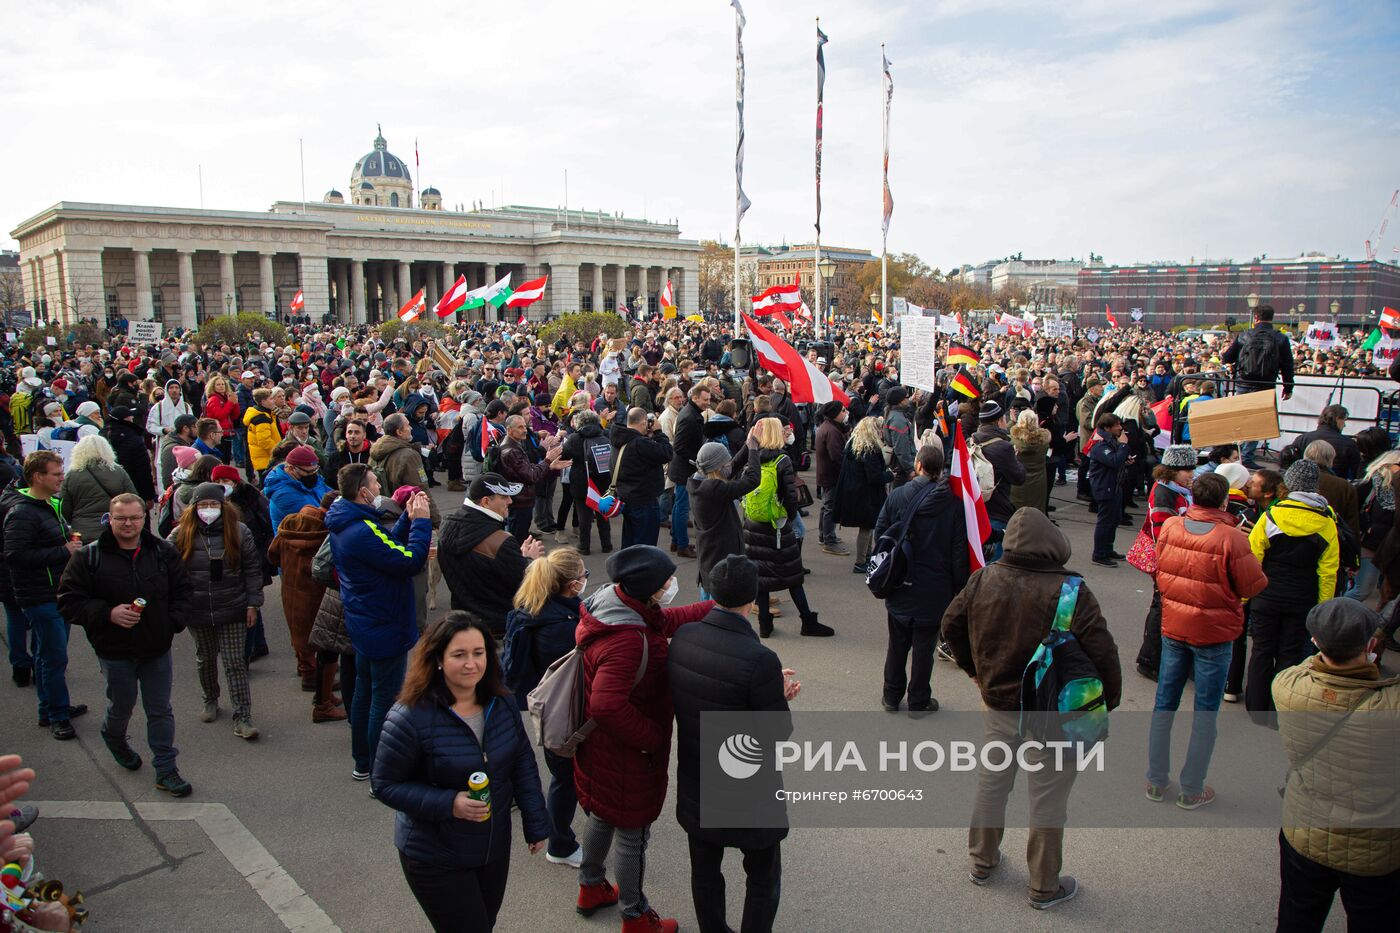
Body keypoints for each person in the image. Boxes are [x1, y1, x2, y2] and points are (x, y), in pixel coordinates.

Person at [942, 507, 1122, 910]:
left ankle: (981, 861)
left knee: (993, 782)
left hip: (999, 702)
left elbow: (950, 625)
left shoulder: (983, 578)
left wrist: (974, 670)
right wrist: (1107, 700)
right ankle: (1044, 885)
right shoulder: (1071, 590)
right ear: (1054, 544)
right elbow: (1103, 650)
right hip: (1053, 710)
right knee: (1048, 798)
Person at [374, 612, 549, 933]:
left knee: (484, 923)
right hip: (434, 854)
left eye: (479, 653)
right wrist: (449, 803)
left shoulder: (502, 702)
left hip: (492, 846)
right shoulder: (410, 715)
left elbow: (522, 761)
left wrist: (536, 822)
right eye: (459, 655)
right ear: (438, 659)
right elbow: (385, 784)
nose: (472, 664)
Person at [574, 546, 713, 933]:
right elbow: (606, 705)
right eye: (666, 580)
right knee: (633, 833)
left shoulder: (616, 605)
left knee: (602, 813)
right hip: (628, 751)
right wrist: (650, 737)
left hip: (603, 748)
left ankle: (590, 885)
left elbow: (661, 621)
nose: (671, 584)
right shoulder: (627, 641)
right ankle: (635, 916)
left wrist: (714, 607)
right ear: (649, 588)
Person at [668, 555, 799, 933]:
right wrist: (778, 693)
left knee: (705, 871)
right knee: (762, 874)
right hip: (749, 790)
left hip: (698, 780)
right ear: (751, 599)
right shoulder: (759, 659)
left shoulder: (685, 637)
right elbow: (776, 732)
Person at [1272, 598, 1399, 932]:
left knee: (1297, 918)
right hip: (1375, 847)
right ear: (1371, 645)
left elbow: (1308, 666)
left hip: (1305, 832)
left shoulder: (1287, 686)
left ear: (1315, 642)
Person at [57, 492, 194, 796]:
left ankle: (166, 769)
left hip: (156, 648)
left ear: (144, 519)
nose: (129, 524)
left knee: (159, 710)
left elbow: (183, 590)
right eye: (121, 518)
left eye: (134, 518)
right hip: (114, 650)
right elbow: (68, 602)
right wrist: (108, 613)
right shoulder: (88, 557)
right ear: (110, 519)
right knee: (122, 706)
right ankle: (113, 737)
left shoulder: (162, 551)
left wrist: (171, 623)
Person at [1147, 473, 1268, 809]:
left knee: (1164, 704)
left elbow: (1158, 568)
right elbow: (1252, 586)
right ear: (1225, 501)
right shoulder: (1232, 538)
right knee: (1205, 712)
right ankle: (1191, 787)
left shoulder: (1171, 527)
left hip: (1175, 626)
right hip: (1214, 634)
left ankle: (1156, 780)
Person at [326, 463, 432, 781]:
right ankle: (379, 769)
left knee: (365, 692)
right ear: (363, 492)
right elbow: (408, 560)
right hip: (383, 621)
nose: (379, 489)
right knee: (382, 700)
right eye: (375, 483)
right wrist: (422, 524)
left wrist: (405, 521)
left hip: (366, 618)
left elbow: (387, 546)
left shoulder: (351, 522)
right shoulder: (360, 530)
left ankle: (363, 761)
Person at [502, 548, 589, 867]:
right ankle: (561, 844)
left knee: (564, 775)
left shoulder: (536, 607)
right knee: (566, 778)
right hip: (563, 711)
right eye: (583, 577)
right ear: (570, 585)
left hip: (546, 705)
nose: (584, 582)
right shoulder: (563, 626)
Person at [873, 443, 969, 714]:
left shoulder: (899, 494)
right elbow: (958, 551)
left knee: (897, 643)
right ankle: (918, 700)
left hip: (900, 579)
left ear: (918, 466)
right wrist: (959, 589)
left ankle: (891, 696)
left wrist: (881, 566)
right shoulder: (952, 503)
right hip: (935, 586)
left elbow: (881, 533)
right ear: (939, 470)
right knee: (924, 648)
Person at [168, 482, 265, 740]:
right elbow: (166, 568)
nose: (208, 510)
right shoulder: (180, 535)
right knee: (205, 658)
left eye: (213, 505)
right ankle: (210, 698)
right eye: (203, 505)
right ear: (194, 508)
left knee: (235, 663)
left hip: (232, 607)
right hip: (197, 609)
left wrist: (253, 603)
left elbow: (252, 571)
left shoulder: (239, 532)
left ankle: (242, 716)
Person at [0, 451, 86, 740]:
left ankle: (48, 709)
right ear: (38, 477)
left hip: (56, 591)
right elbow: (14, 554)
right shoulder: (23, 512)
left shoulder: (49, 503)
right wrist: (63, 551)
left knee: (46, 655)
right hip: (40, 595)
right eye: (56, 474)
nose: (62, 478)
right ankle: (58, 715)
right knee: (53, 657)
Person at [1245, 459, 1340, 718]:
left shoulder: (1271, 515)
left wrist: (1246, 596)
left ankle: (1255, 707)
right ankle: (1280, 707)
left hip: (1267, 595)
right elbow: (1328, 570)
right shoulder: (1327, 521)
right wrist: (1322, 607)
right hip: (1303, 599)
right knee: (1290, 654)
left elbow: (1253, 559)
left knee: (1262, 650)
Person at [738, 417, 832, 638]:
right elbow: (791, 496)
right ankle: (807, 621)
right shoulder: (782, 460)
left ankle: (764, 624)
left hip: (753, 524)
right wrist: (789, 517)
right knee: (793, 575)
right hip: (777, 525)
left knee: (761, 577)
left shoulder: (753, 457)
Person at [439, 473, 542, 636]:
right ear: (486, 501)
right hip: (499, 628)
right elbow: (528, 585)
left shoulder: (446, 528)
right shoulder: (501, 542)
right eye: (504, 497)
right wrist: (531, 560)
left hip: (462, 623)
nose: (510, 501)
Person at [268, 493, 343, 717]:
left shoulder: (288, 527)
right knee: (326, 646)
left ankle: (310, 676)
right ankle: (322, 702)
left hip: (291, 590)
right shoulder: (327, 534)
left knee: (300, 635)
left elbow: (272, 556)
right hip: (317, 593)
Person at [1134, 444, 1197, 680]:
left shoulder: (1178, 490)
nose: (1191, 473)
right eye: (1186, 469)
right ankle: (1150, 660)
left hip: (1175, 557)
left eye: (1192, 468)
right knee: (1161, 608)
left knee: (1166, 608)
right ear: (1171, 470)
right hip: (1168, 559)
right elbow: (1162, 531)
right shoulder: (1164, 493)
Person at [1221, 303, 1295, 468]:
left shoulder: (1245, 335)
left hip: (1243, 382)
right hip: (1266, 384)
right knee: (1256, 422)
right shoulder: (1280, 338)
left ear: (1255, 317)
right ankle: (1246, 457)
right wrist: (1288, 387)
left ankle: (1232, 454)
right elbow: (1287, 365)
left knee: (1240, 418)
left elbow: (1227, 357)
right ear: (1272, 318)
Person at [689, 436, 762, 600]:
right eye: (725, 463)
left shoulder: (700, 482)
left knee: (707, 597)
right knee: (717, 605)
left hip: (709, 557)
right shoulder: (713, 489)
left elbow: (731, 468)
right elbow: (752, 480)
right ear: (717, 468)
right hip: (720, 559)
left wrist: (747, 443)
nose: (729, 464)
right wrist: (753, 449)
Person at [833, 415, 894, 574]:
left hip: (855, 491)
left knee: (868, 526)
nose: (881, 432)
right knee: (867, 527)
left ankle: (866, 557)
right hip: (866, 494)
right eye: (879, 429)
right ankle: (861, 561)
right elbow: (874, 477)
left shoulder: (853, 444)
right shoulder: (870, 449)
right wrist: (890, 475)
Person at [496, 413, 568, 541]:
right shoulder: (511, 451)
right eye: (520, 427)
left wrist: (550, 466)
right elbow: (531, 476)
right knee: (517, 540)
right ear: (509, 430)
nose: (525, 430)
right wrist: (547, 460)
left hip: (520, 499)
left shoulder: (514, 445)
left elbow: (527, 469)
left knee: (519, 535)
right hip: (519, 502)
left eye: (525, 426)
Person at [611, 407, 674, 549]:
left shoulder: (619, 439)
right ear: (645, 422)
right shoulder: (640, 443)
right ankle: (642, 570)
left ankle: (628, 569)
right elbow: (667, 453)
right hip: (644, 501)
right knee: (645, 546)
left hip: (627, 497)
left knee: (630, 542)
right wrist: (658, 432)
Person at [971, 402, 1026, 559]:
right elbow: (1019, 477)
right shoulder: (1003, 447)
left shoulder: (971, 441)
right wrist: (1016, 459)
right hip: (997, 509)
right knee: (995, 559)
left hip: (976, 507)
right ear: (1000, 421)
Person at [58, 435, 138, 543]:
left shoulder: (71, 475)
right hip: (113, 530)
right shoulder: (118, 472)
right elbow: (133, 499)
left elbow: (64, 508)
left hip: (82, 532)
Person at [370, 413, 442, 528]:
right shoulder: (408, 456)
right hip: (405, 518)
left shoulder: (376, 451)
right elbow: (420, 490)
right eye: (408, 425)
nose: (411, 428)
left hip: (381, 513)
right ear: (399, 432)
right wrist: (436, 521)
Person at [667, 383, 711, 559]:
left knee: (680, 506)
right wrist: (696, 460)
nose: (708, 403)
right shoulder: (689, 417)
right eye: (705, 400)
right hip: (685, 470)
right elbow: (679, 446)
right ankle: (682, 545)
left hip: (683, 468)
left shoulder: (691, 413)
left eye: (709, 399)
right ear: (695, 398)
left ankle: (677, 541)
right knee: (682, 507)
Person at [562, 409, 615, 555]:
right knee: (603, 514)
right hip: (603, 481)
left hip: (582, 482)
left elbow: (564, 455)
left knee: (584, 516)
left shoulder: (574, 438)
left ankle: (584, 546)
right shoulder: (605, 433)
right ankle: (606, 544)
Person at [1350, 450, 1400, 604]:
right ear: (1389, 465)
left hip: (1387, 548)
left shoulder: (1395, 489)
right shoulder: (1371, 483)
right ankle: (1333, 615)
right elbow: (1352, 511)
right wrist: (1366, 526)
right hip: (1370, 544)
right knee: (1362, 591)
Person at [1084, 412, 1133, 567]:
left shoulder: (1110, 440)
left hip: (1114, 485)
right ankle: (1099, 554)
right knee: (1105, 522)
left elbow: (1116, 460)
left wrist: (1125, 460)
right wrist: (1124, 446)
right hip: (1105, 487)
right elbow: (1112, 460)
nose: (1120, 428)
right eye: (1117, 425)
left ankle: (1107, 549)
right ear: (1107, 427)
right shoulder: (1100, 443)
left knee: (1114, 519)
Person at [263, 444, 333, 530]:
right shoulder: (283, 494)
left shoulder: (309, 478)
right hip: (299, 539)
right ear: (291, 468)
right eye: (309, 472)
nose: (313, 475)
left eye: (315, 470)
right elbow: (315, 520)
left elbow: (332, 496)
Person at [1281, 405, 1361, 481]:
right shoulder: (1349, 444)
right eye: (1344, 420)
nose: (1345, 425)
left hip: (1304, 485)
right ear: (1337, 419)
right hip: (1336, 488)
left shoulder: (1302, 439)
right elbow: (1355, 473)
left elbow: (1291, 465)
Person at [813, 401, 850, 555]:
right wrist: (847, 471)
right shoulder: (832, 431)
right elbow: (837, 456)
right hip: (831, 475)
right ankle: (829, 540)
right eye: (843, 410)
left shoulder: (829, 427)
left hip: (826, 473)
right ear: (835, 414)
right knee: (830, 507)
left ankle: (824, 535)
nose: (845, 412)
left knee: (826, 506)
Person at [103, 404, 156, 504]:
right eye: (131, 416)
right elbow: (143, 469)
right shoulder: (133, 438)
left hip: (107, 488)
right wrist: (149, 496)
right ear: (126, 419)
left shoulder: (101, 436)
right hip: (133, 488)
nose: (132, 418)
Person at [1009, 408, 1051, 515]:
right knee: (1036, 511)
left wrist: (1012, 423)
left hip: (1018, 483)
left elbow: (1006, 434)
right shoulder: (1044, 441)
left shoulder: (1014, 441)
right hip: (1039, 481)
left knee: (1017, 512)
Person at [242, 387, 282, 480]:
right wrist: (277, 452)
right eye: (271, 399)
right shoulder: (261, 419)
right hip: (266, 459)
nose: (273, 401)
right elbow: (265, 441)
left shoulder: (266, 414)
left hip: (265, 458)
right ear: (263, 402)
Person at [323, 417, 373, 482]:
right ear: (346, 435)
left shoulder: (372, 455)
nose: (352, 436)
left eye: (357, 432)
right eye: (350, 432)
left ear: (364, 435)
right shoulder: (335, 458)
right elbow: (328, 481)